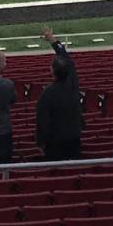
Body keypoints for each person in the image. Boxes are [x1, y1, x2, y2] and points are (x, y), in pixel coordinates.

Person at [34, 28, 85, 161]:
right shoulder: (73, 84)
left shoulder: (47, 93)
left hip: (55, 142)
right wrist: (52, 40)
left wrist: (40, 142)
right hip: (74, 136)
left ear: (52, 71)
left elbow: (43, 121)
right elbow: (66, 58)